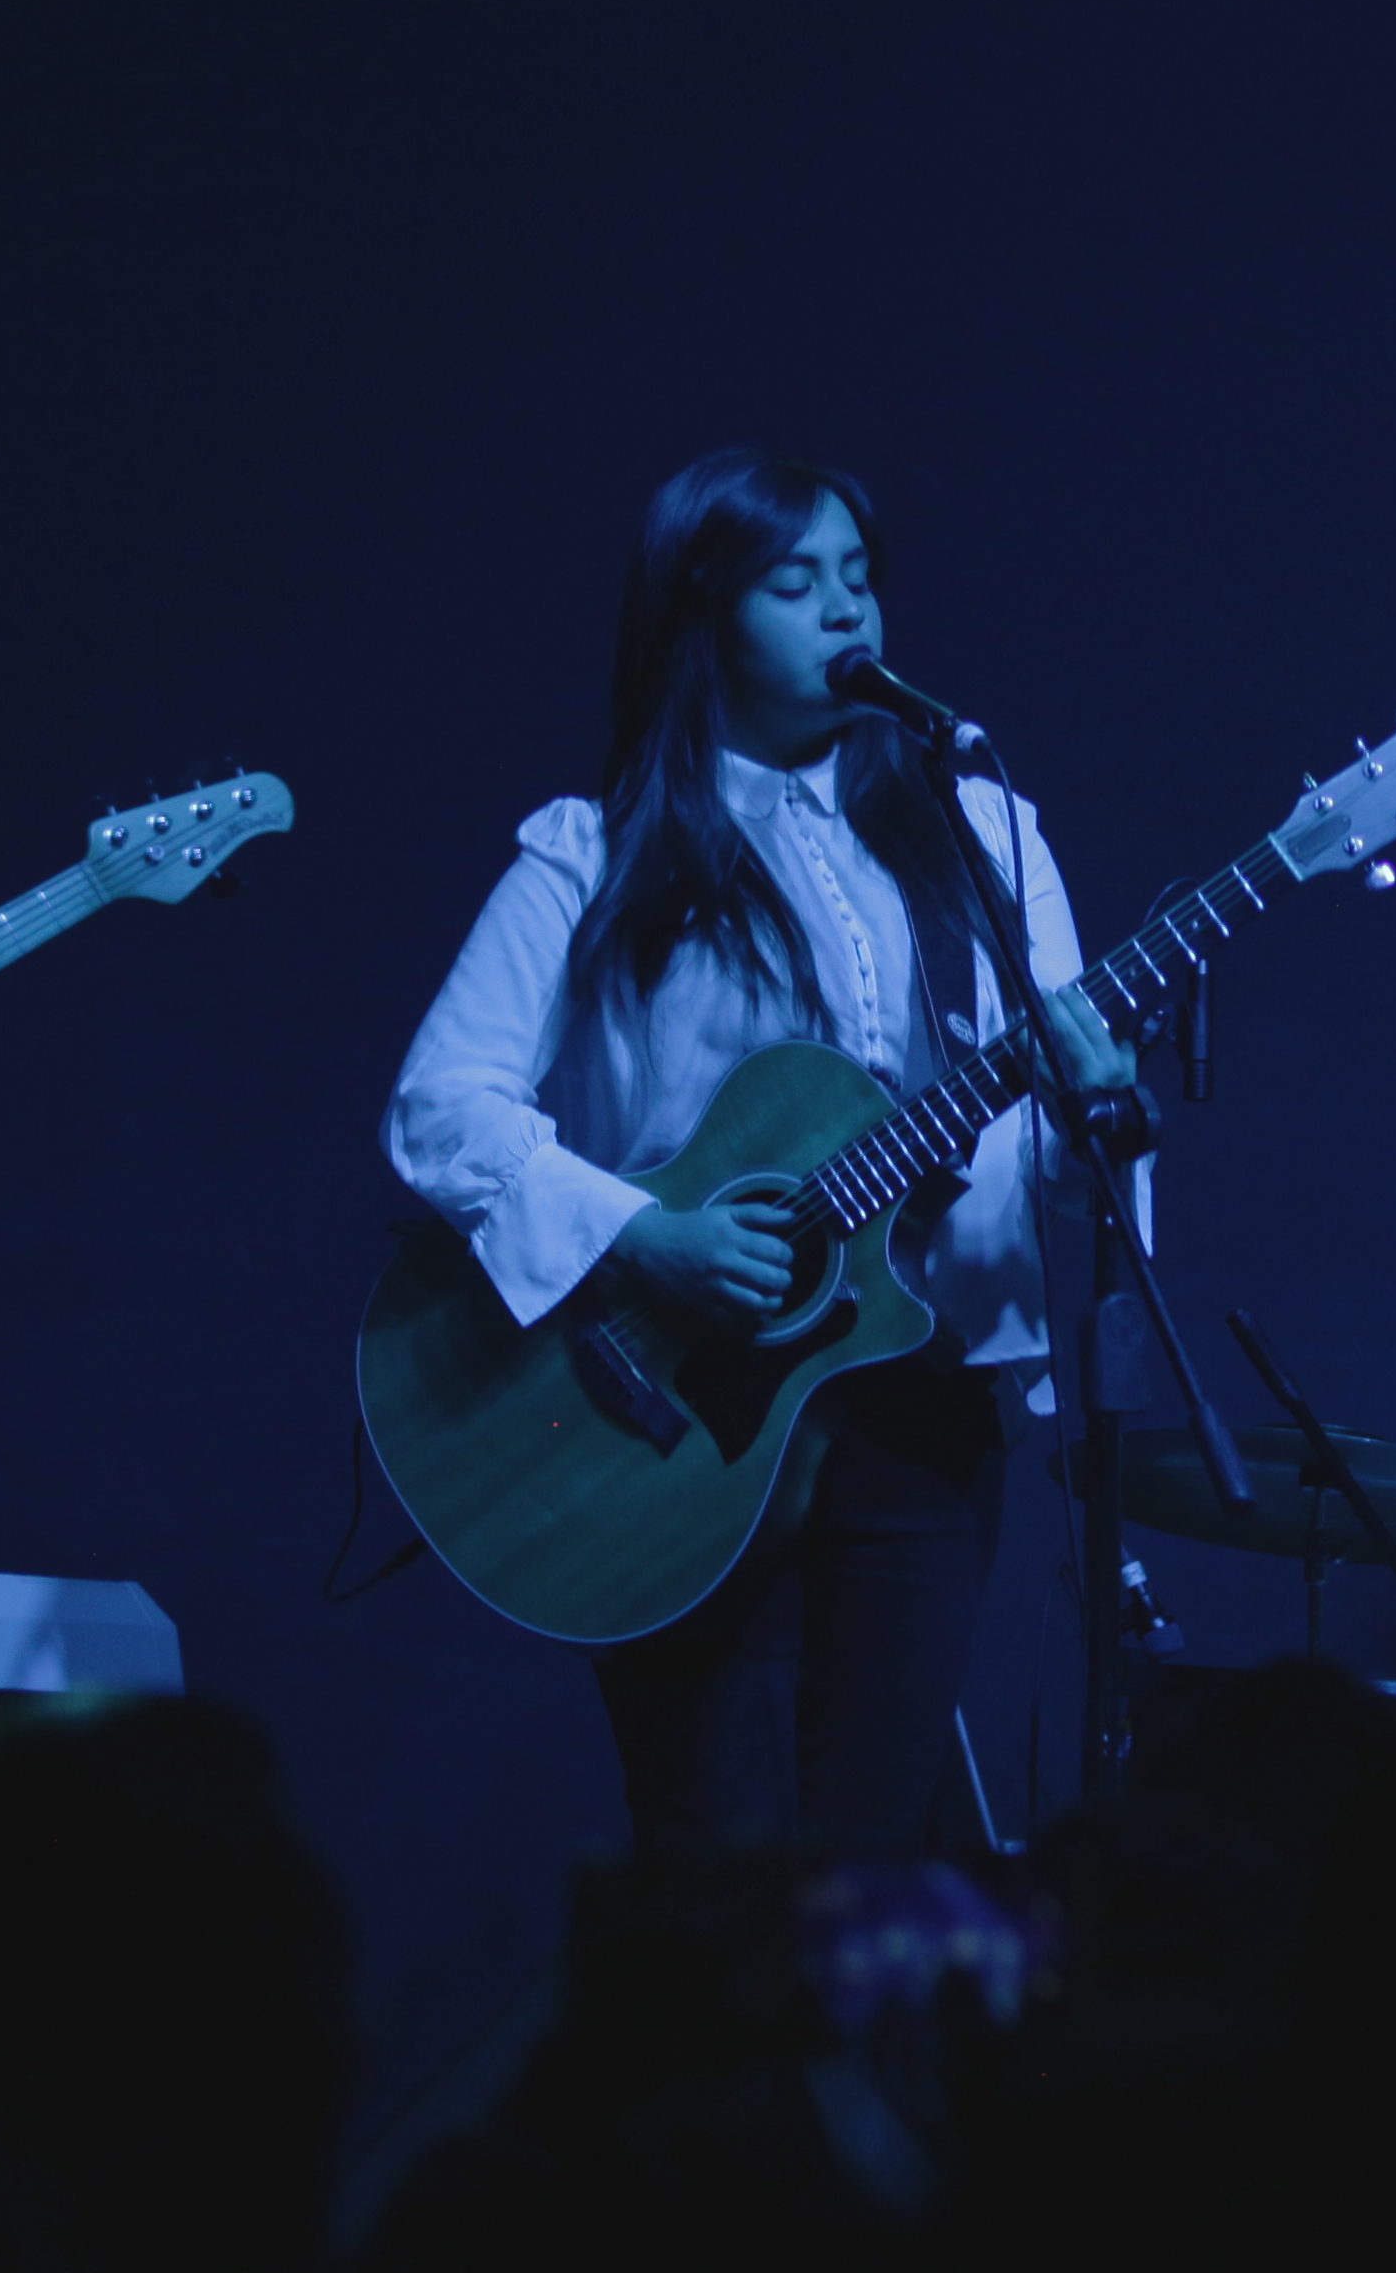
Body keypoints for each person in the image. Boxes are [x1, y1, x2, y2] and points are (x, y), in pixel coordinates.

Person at [386, 449, 1138, 1860]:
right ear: (703, 613)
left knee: (871, 1863)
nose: (848, 610)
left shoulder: (982, 832)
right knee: (715, 1856)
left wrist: (1094, 1110)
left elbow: (1041, 1149)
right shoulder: (597, 854)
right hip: (667, 1414)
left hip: (917, 1405)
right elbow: (443, 1106)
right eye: (797, 583)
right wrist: (646, 1239)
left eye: (860, 577)